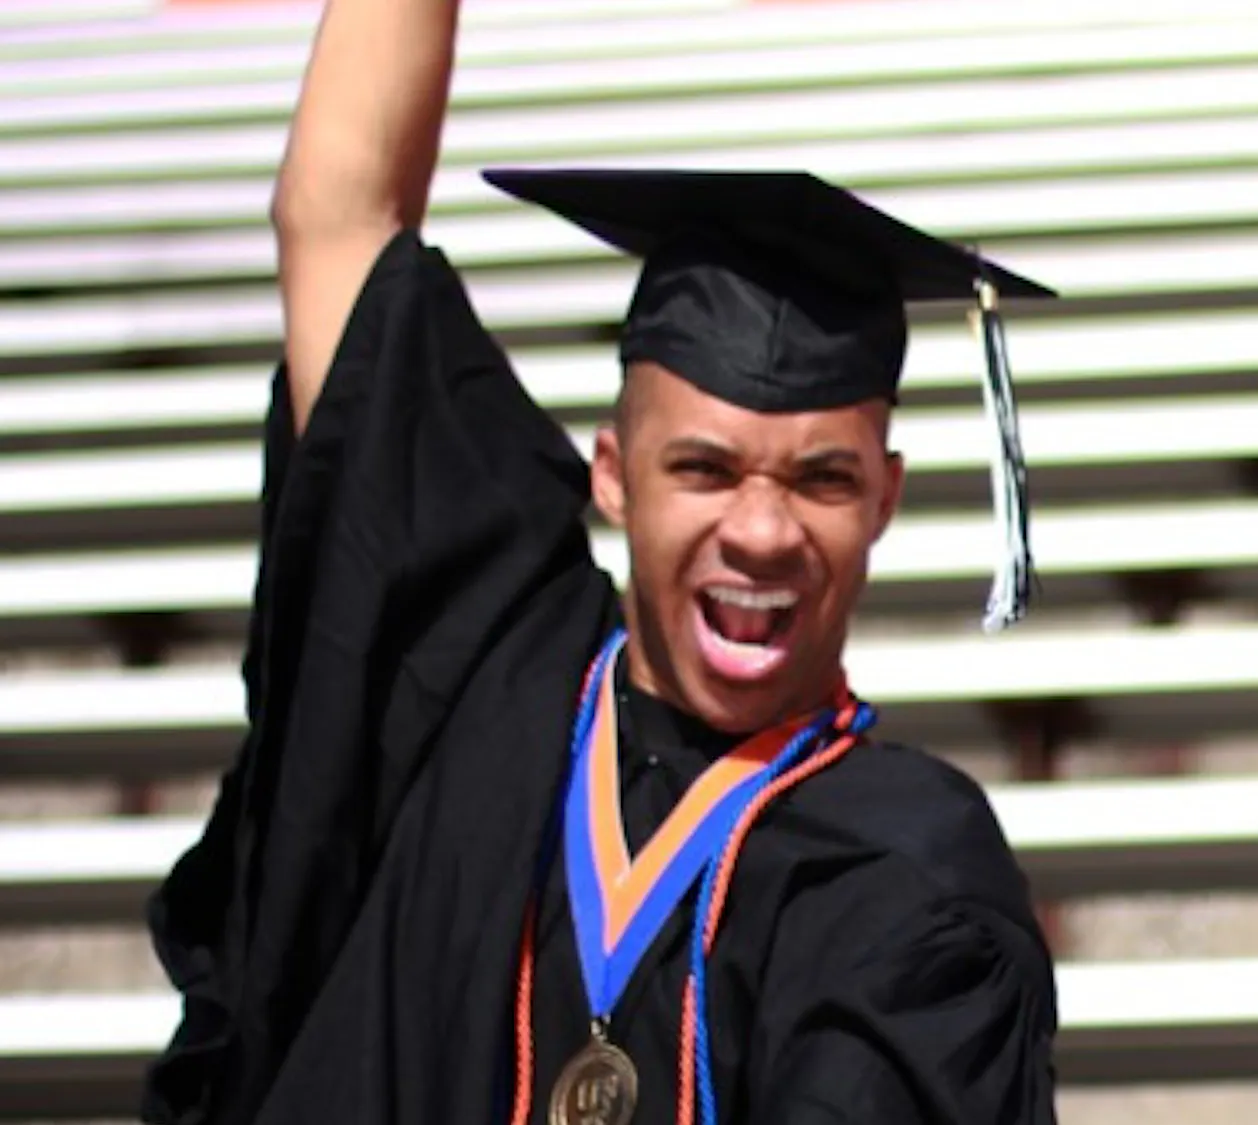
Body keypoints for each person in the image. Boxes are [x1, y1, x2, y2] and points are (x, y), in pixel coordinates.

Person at [143, 2, 1059, 1123]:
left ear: (885, 498)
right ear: (614, 476)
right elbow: (337, 217)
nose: (763, 531)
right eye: (706, 470)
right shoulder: (476, 679)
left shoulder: (907, 871)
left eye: (822, 478)